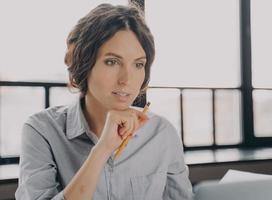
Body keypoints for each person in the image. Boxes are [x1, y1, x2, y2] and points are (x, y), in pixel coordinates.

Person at [15, 3, 193, 200]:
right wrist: (102, 150)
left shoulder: (162, 133)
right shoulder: (42, 131)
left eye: (138, 64)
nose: (127, 79)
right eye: (112, 61)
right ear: (84, 64)